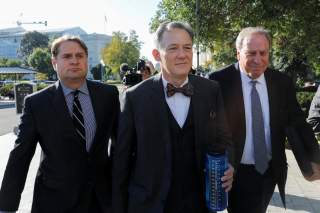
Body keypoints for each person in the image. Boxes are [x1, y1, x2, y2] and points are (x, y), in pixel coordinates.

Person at [112, 21, 234, 213]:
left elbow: (224, 137)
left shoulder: (211, 90)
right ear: (156, 54)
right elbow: (121, 160)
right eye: (173, 48)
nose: (182, 54)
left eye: (187, 47)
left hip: (200, 203)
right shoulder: (135, 97)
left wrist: (230, 165)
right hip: (150, 204)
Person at [0, 35, 119, 213]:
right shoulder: (36, 103)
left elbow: (121, 144)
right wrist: (6, 207)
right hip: (54, 200)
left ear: (86, 60)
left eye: (80, 56)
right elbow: (21, 154)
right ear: (54, 62)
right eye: (67, 56)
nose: (74, 61)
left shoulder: (108, 94)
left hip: (101, 199)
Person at [208, 26, 320, 213]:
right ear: (238, 53)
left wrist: (316, 158)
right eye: (251, 53)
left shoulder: (281, 82)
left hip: (270, 170)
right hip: (236, 170)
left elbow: (298, 122)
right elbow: (210, 127)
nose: (258, 60)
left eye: (263, 53)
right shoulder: (218, 81)